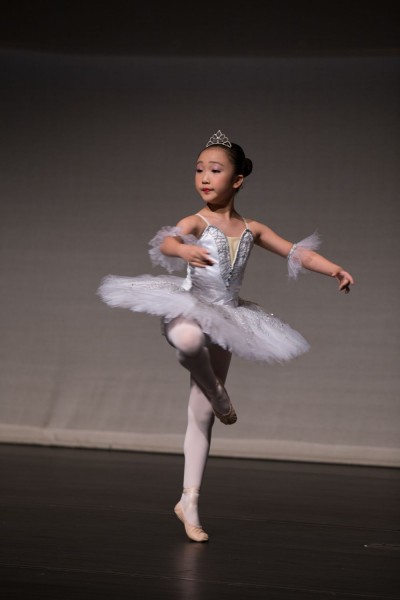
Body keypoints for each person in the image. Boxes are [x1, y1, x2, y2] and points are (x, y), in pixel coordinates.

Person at [98, 129, 354, 543]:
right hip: (188, 306)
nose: (204, 177)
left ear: (237, 180)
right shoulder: (196, 222)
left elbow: (295, 252)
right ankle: (218, 391)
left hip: (228, 317)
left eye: (214, 170)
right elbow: (169, 240)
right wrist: (183, 249)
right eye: (199, 169)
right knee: (187, 343)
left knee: (200, 416)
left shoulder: (252, 228)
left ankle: (189, 501)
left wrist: (334, 269)